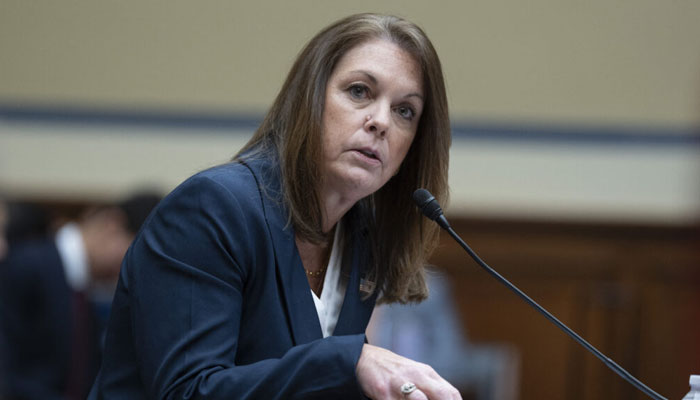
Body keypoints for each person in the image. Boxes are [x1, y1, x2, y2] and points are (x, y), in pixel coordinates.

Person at [89, 13, 456, 400]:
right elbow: (190, 392)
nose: (381, 121)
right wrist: (351, 361)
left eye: (405, 111)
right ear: (309, 99)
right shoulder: (211, 209)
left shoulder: (361, 234)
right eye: (360, 91)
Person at [0, 193, 161, 400]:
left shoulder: (85, 286)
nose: (131, 269)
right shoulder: (26, 265)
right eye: (135, 254)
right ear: (112, 225)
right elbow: (8, 371)